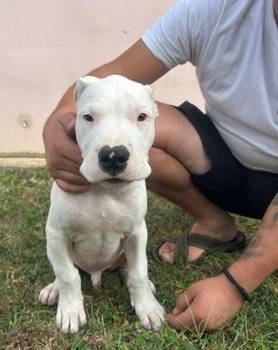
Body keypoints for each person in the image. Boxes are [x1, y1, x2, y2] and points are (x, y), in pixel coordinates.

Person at [43, 0, 278, 330]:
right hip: (228, 161)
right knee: (143, 124)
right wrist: (56, 122)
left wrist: (234, 285)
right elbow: (115, 75)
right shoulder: (218, 8)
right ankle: (214, 223)